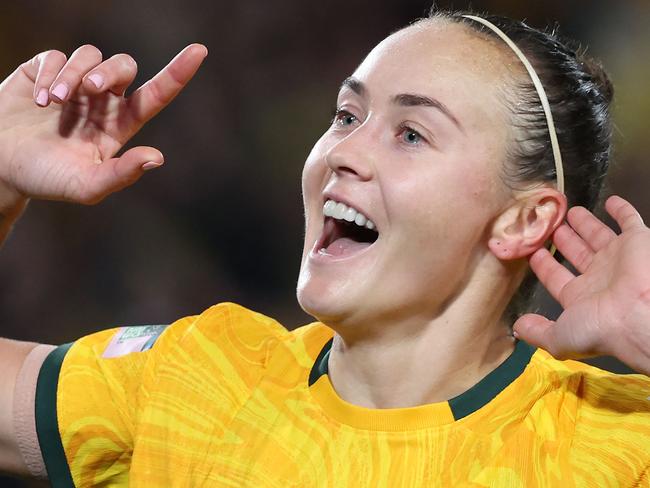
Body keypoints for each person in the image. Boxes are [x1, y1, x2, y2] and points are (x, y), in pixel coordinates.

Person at [1, 8, 649, 487]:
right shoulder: (197, 378)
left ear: (522, 220)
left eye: (412, 134)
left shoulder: (614, 443)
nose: (344, 152)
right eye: (346, 116)